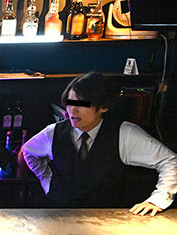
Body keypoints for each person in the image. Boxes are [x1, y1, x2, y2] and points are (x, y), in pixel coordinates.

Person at [22, 72, 177, 215]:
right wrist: (47, 181)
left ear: (103, 107)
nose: (72, 110)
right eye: (69, 103)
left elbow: (170, 160)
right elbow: (28, 151)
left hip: (107, 219)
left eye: (82, 104)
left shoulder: (124, 133)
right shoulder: (53, 132)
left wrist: (158, 199)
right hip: (58, 216)